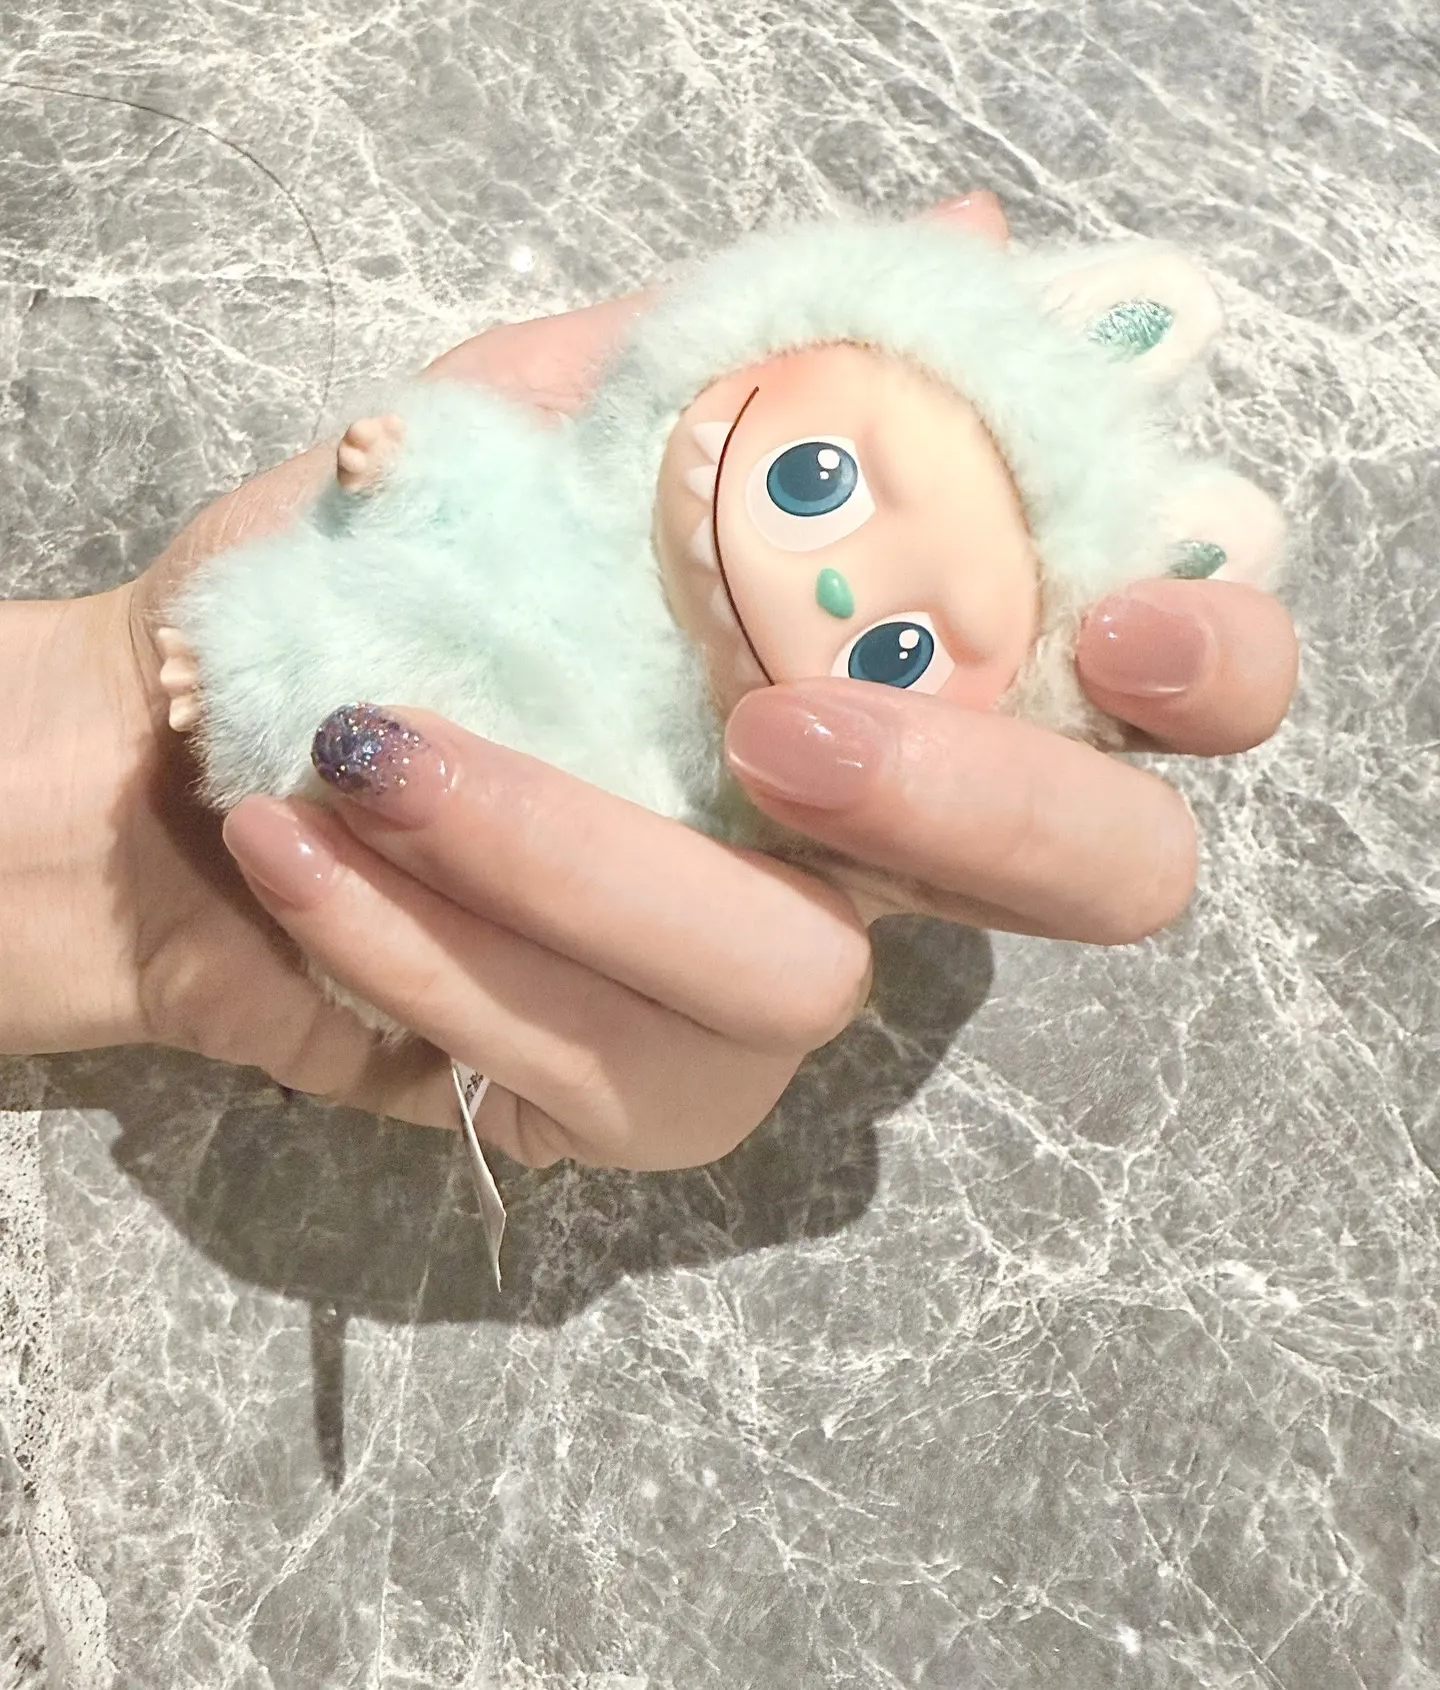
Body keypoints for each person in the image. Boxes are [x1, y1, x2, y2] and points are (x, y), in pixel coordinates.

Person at [0, 194, 1297, 1171]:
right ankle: (243, 672)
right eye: (817, 481)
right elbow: (487, 486)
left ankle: (329, 809)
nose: (824, 593)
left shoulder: (711, 760)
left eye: (892, 652)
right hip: (409, 628)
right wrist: (406, 466)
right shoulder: (587, 481)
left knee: (546, 809)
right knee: (344, 618)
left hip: (557, 761)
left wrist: (177, 920)